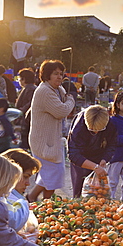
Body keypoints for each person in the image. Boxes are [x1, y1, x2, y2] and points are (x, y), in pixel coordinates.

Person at [28, 60, 75, 202]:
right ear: (47, 75)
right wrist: (71, 100)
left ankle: (33, 198)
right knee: (53, 173)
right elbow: (61, 111)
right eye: (55, 74)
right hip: (43, 141)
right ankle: (45, 203)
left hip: (50, 140)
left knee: (49, 174)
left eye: (61, 74)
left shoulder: (56, 89)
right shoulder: (44, 91)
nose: (59, 77)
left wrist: (67, 99)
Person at [68, 105, 117, 198]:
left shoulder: (110, 124)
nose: (96, 133)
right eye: (92, 130)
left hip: (99, 157)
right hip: (81, 161)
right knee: (79, 192)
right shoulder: (78, 126)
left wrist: (105, 159)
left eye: (100, 130)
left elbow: (112, 145)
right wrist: (94, 167)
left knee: (100, 192)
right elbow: (73, 154)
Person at [2, 148, 41, 231]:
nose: (28, 183)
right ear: (12, 174)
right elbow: (13, 222)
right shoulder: (1, 199)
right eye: (25, 177)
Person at [15, 68, 36, 149]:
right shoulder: (28, 88)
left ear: (24, 79)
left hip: (27, 118)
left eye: (19, 78)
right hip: (26, 118)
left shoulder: (30, 88)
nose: (19, 80)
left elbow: (31, 103)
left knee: (25, 139)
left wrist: (21, 111)